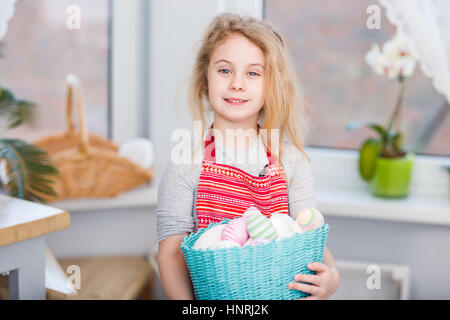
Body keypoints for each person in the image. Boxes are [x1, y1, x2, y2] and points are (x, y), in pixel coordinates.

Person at [157, 13, 339, 300]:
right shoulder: (186, 163)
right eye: (225, 70)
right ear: (205, 78)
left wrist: (332, 277)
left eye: (253, 73)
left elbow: (310, 233)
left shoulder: (291, 162)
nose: (237, 84)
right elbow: (170, 254)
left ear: (271, 86)